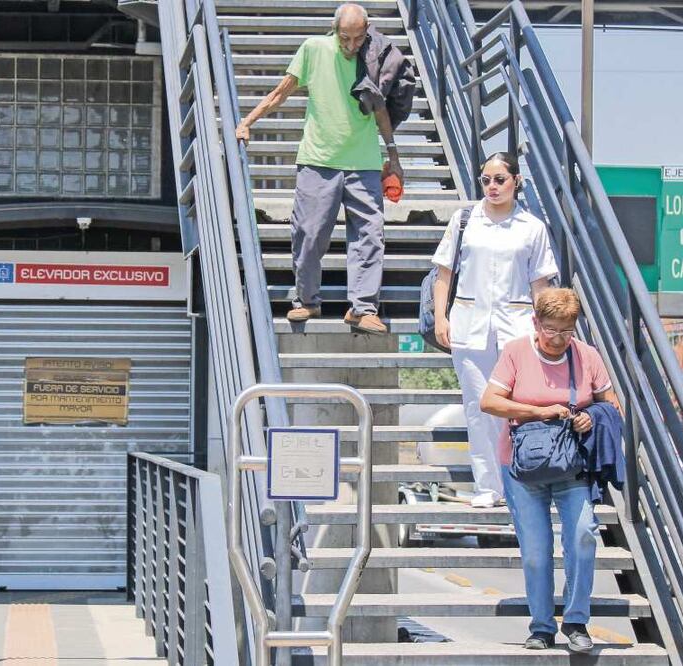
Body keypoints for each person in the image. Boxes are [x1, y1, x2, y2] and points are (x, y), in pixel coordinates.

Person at [235, 3, 404, 335]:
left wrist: (393, 155)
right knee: (310, 235)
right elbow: (280, 93)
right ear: (334, 29)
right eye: (345, 38)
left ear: (367, 30)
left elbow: (380, 109)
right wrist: (247, 122)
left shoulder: (373, 55)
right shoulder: (313, 49)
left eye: (358, 38)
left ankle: (363, 308)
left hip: (365, 162)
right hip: (318, 160)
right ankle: (307, 299)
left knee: (370, 236)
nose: (351, 45)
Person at [479, 288, 613, 653]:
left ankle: (575, 621)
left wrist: (591, 417)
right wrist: (539, 412)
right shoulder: (516, 352)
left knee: (584, 535)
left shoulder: (587, 356)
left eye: (566, 332)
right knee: (537, 550)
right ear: (535, 322)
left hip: (572, 466)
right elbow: (489, 401)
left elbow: (611, 405)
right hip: (522, 468)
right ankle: (541, 627)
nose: (556, 339)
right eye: (550, 330)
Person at [431, 152, 558, 508]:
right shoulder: (464, 220)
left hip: (516, 329)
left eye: (499, 179)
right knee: (478, 407)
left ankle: (522, 481)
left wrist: (546, 329)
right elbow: (444, 274)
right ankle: (488, 487)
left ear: (516, 181)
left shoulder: (531, 227)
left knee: (520, 406)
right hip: (469, 327)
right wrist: (441, 317)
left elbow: (541, 284)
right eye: (486, 180)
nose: (492, 186)